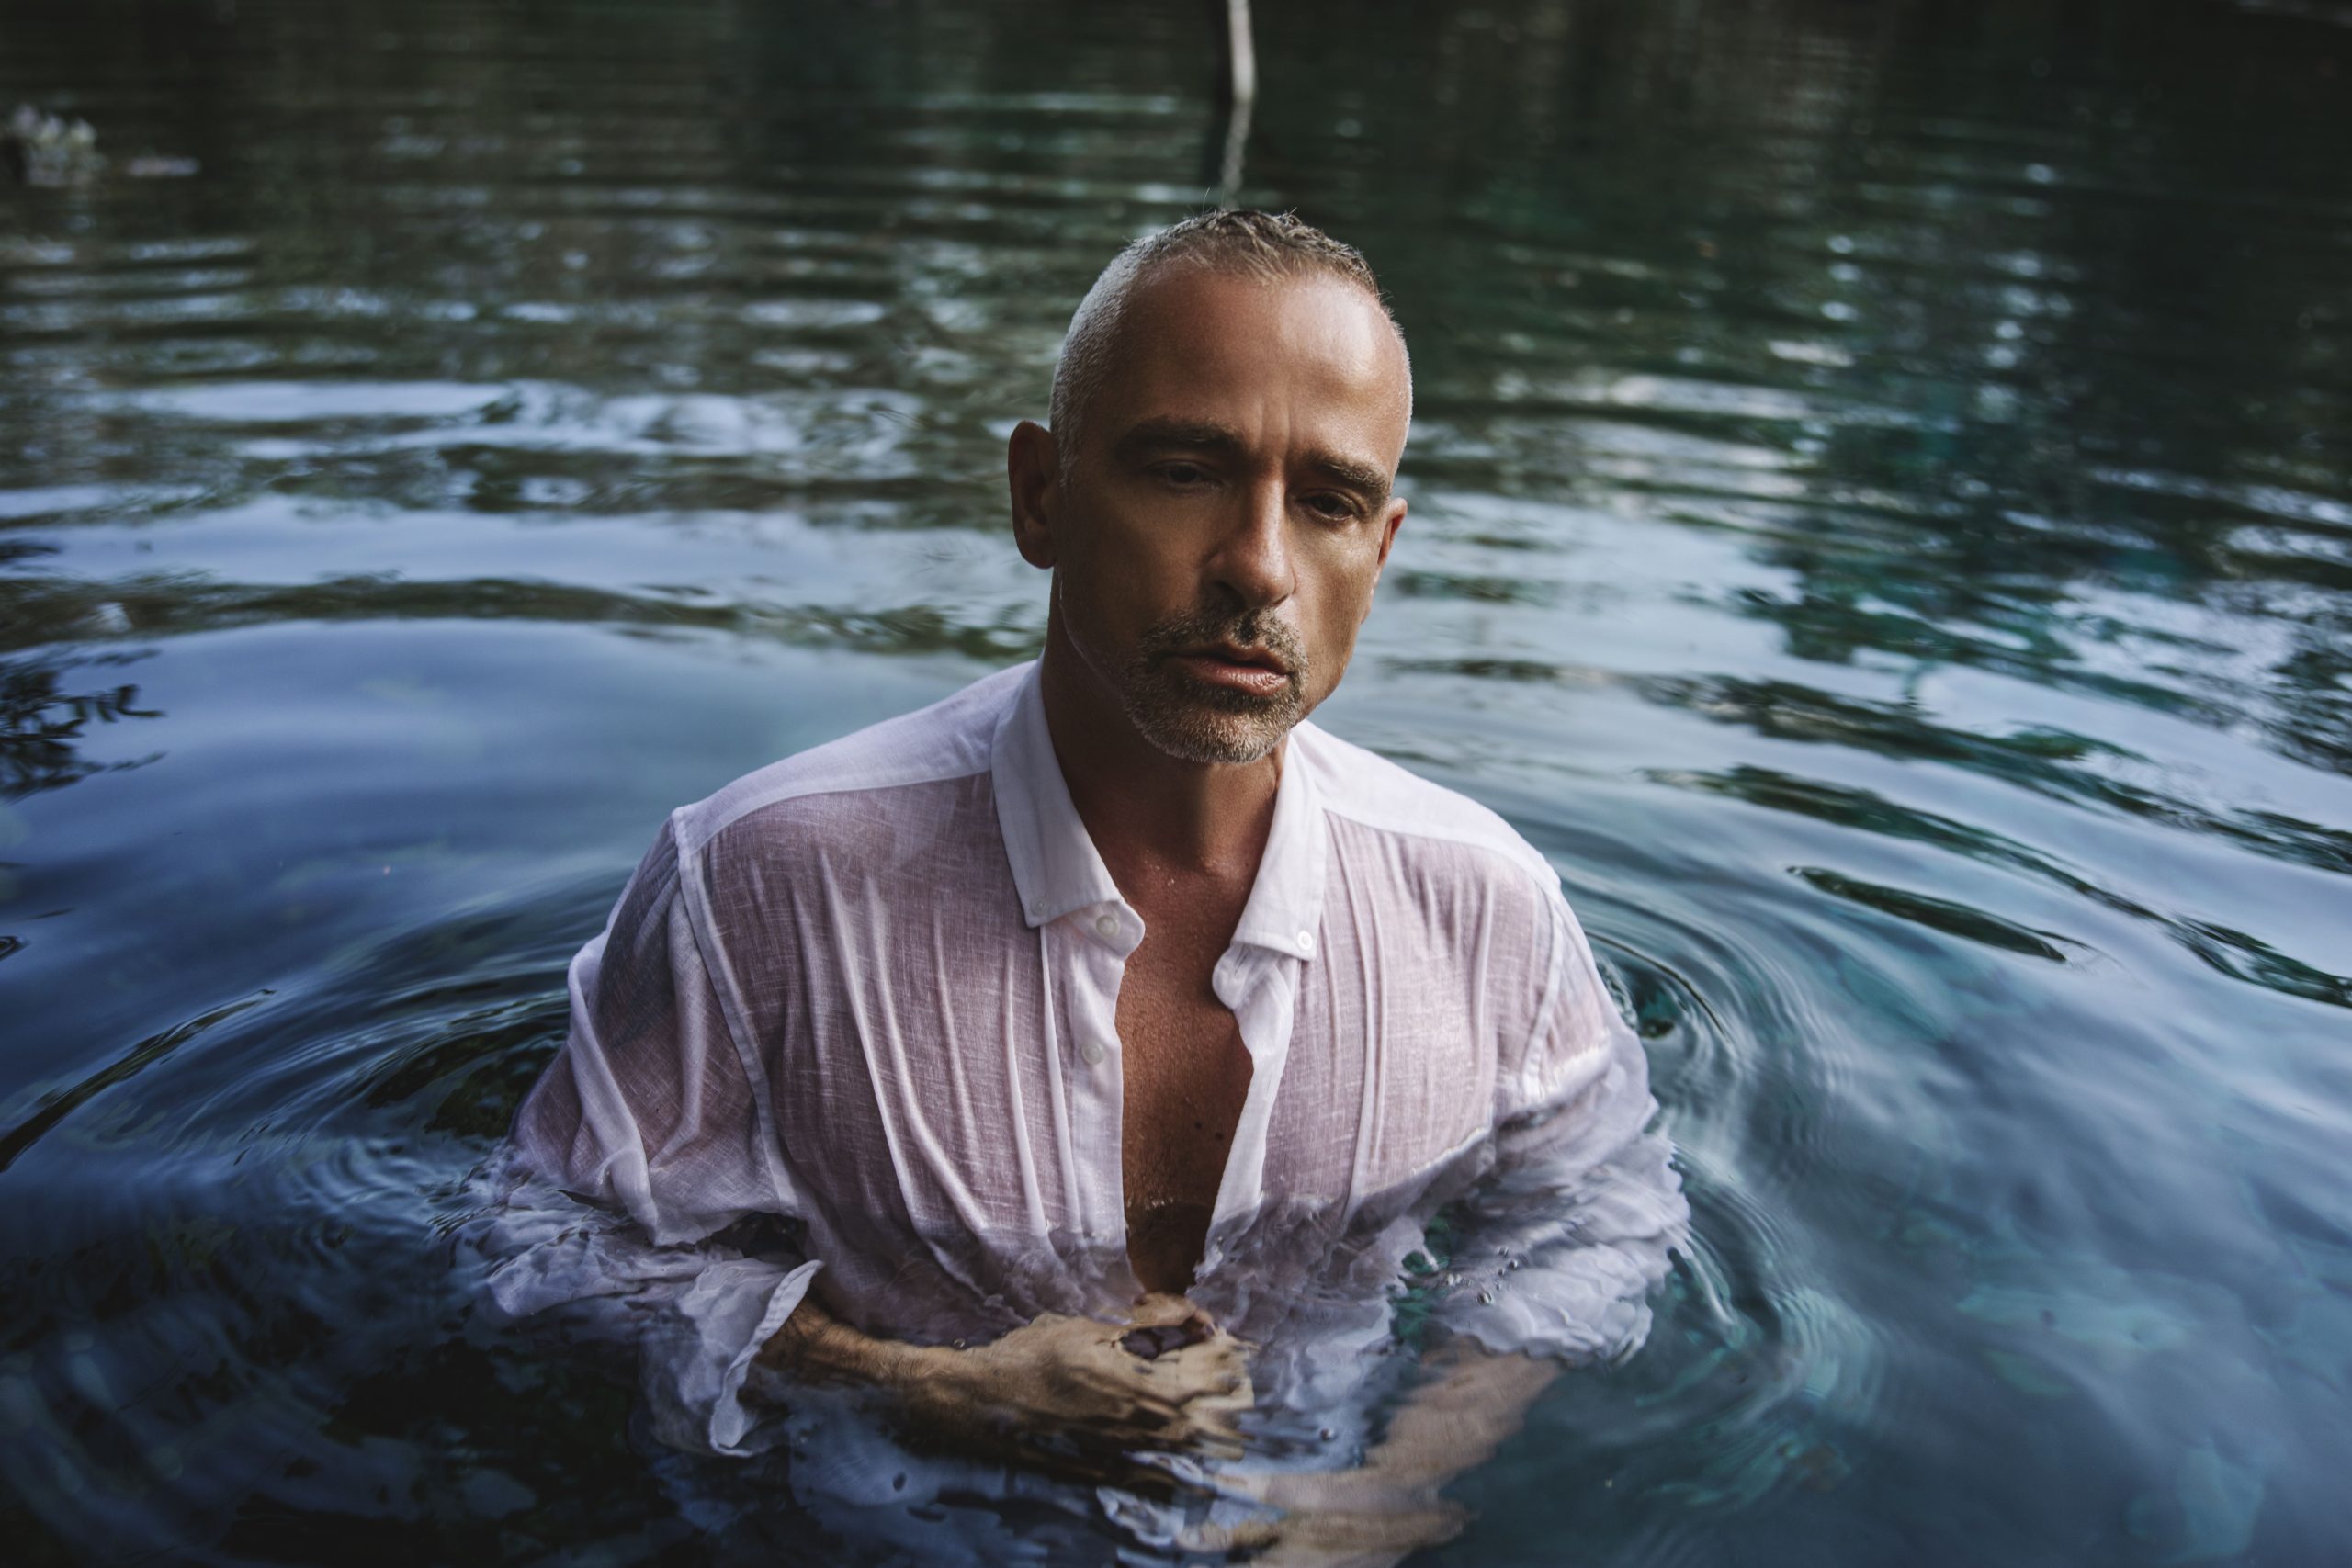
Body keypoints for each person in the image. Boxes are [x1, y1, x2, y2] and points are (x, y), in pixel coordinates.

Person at [477, 209, 1686, 1559]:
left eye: (1329, 502)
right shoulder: (768, 880)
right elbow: (547, 1244)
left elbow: (1597, 1215)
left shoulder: (1484, 911)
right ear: (1041, 496)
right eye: (1186, 471)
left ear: (1381, 550)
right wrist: (918, 1383)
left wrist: (1394, 1494)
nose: (1260, 566)